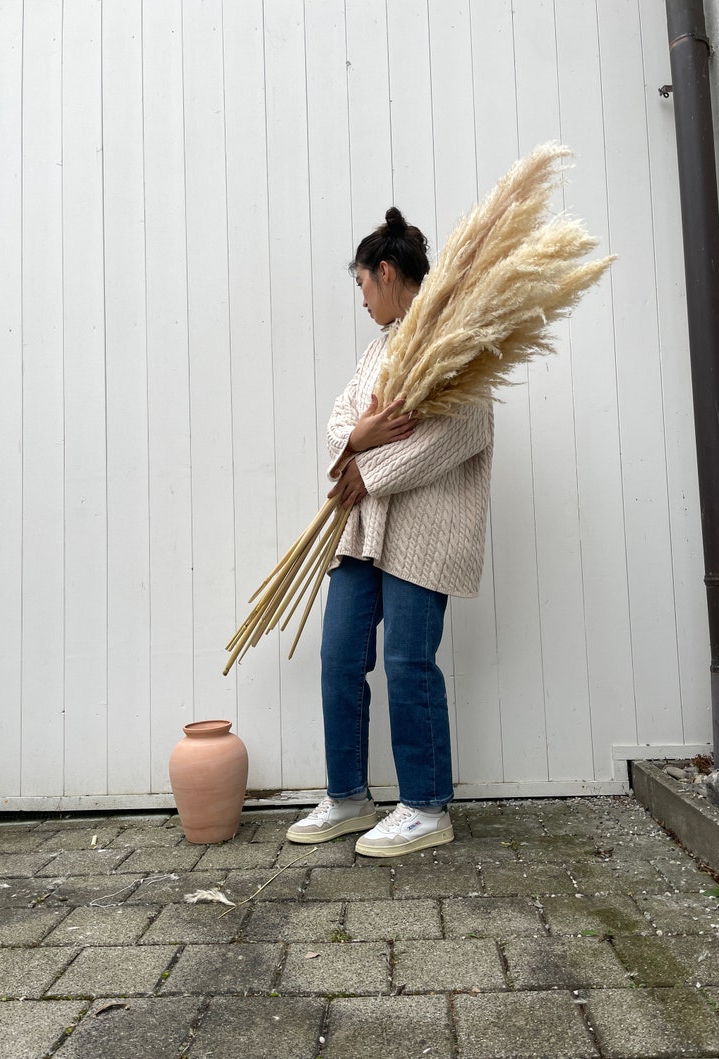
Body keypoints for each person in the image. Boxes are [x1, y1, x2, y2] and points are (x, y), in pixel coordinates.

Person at [286, 207, 494, 857]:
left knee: (408, 660)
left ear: (383, 271)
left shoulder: (451, 333)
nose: (363, 300)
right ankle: (348, 794)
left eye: (362, 286)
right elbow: (337, 423)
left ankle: (426, 806)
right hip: (361, 528)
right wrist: (358, 436)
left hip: (420, 526)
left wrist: (367, 472)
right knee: (340, 654)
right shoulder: (377, 349)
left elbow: (460, 429)